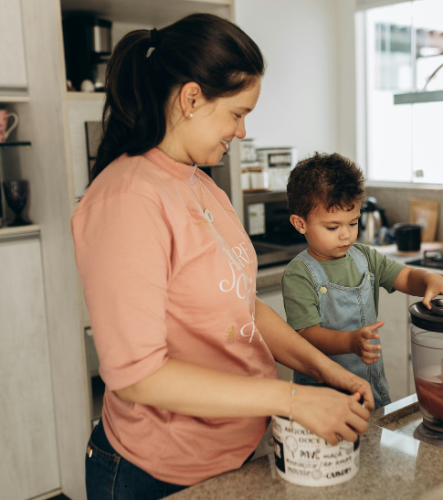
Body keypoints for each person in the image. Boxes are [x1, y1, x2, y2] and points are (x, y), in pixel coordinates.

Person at [71, 14, 375, 500]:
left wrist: (322, 368)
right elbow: (138, 376)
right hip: (157, 471)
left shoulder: (202, 185)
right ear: (191, 98)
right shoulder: (127, 198)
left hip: (232, 453)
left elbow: (241, 307)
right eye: (237, 113)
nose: (241, 129)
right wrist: (292, 399)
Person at [281, 152, 443, 409]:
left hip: (372, 388)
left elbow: (405, 276)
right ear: (300, 223)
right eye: (332, 227)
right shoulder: (298, 273)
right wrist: (349, 342)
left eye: (354, 222)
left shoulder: (365, 257)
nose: (346, 235)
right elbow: (305, 334)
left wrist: (431, 279)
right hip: (323, 399)